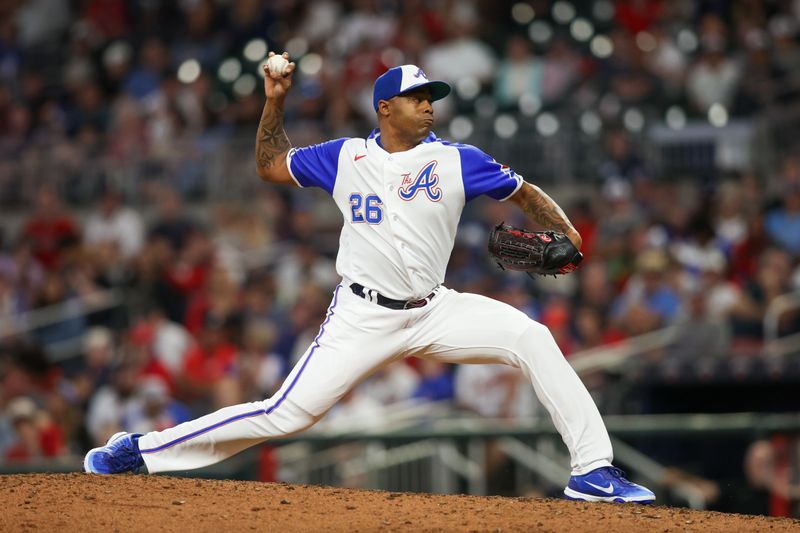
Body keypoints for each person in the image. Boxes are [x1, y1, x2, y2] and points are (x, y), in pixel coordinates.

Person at [84, 53, 655, 504]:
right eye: (416, 97)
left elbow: (523, 192)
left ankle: (593, 471)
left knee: (533, 337)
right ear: (385, 108)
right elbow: (268, 164)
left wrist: (571, 234)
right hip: (362, 314)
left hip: (436, 308)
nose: (429, 105)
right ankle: (141, 450)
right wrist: (274, 101)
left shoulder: (457, 159)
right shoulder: (345, 156)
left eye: (432, 97)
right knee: (288, 412)